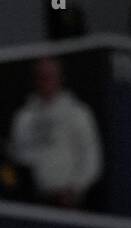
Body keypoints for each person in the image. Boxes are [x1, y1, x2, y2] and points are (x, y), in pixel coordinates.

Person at [7, 57, 103, 207]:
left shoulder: (77, 113)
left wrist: (74, 189)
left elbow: (91, 158)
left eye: (49, 76)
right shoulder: (24, 116)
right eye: (41, 76)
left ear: (59, 78)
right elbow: (18, 154)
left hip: (65, 201)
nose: (45, 81)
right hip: (29, 200)